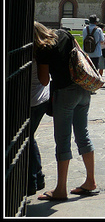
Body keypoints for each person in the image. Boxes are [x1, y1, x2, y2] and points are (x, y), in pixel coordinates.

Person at [33, 21, 99, 201]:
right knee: (82, 134)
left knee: (62, 139)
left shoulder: (43, 50)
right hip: (82, 88)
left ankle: (61, 189)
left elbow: (44, 80)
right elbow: (79, 53)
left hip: (64, 92)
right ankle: (90, 181)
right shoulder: (64, 34)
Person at [27, 54, 50, 196]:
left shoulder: (39, 51)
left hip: (34, 100)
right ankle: (38, 177)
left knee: (27, 138)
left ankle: (32, 181)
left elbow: (44, 79)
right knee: (29, 137)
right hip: (40, 99)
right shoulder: (41, 49)